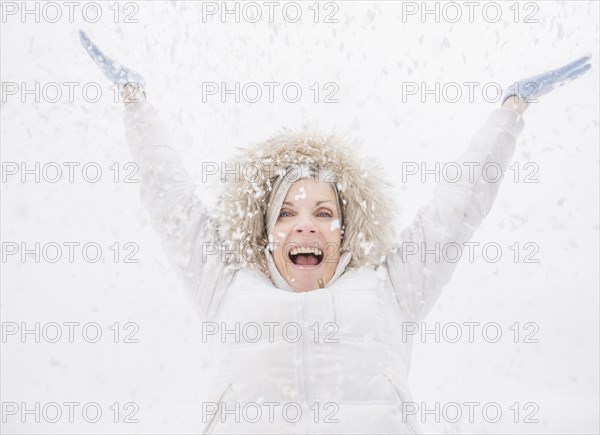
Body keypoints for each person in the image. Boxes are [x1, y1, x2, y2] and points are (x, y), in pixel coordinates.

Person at [80, 30, 590, 434]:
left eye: (324, 212)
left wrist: (509, 113)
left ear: (346, 232)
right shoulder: (226, 288)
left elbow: (455, 211)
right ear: (265, 234)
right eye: (286, 213)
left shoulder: (391, 288)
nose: (305, 223)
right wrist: (135, 102)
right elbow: (168, 197)